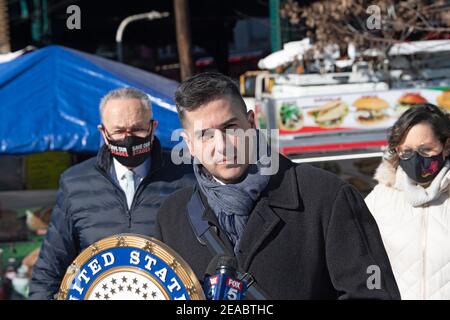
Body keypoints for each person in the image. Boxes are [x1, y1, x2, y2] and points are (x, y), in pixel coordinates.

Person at [154, 72, 400, 299]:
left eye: (230, 128)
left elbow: (373, 294)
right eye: (205, 135)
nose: (222, 146)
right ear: (189, 144)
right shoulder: (172, 217)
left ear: (251, 123)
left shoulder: (326, 196)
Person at [29, 87, 194, 299]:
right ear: (103, 133)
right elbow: (48, 271)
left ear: (153, 127)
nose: (128, 138)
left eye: (137, 129)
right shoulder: (75, 183)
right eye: (118, 131)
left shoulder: (187, 175)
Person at [365, 103, 450, 300]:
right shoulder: (380, 200)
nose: (416, 160)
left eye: (426, 150)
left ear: (445, 146)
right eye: (407, 152)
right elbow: (361, 264)